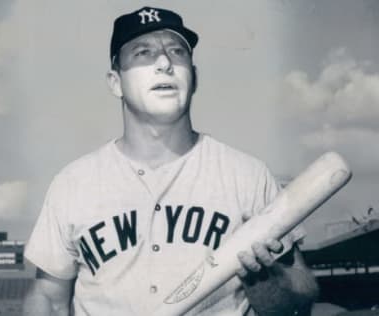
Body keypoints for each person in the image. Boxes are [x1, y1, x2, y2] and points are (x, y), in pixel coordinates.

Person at [23, 6, 318, 316]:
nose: (164, 63)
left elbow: (299, 300)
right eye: (143, 53)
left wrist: (267, 282)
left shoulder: (247, 176)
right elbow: (48, 297)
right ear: (115, 82)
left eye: (177, 52)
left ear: (194, 77)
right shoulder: (73, 184)